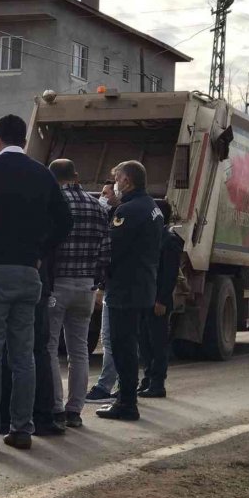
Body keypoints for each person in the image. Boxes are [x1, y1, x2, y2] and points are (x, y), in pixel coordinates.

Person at [0, 114, 72, 451]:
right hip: (28, 274)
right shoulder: (42, 173)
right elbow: (64, 221)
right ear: (25, 138)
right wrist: (39, 251)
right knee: (24, 355)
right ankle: (22, 429)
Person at [44, 159, 110, 429]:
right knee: (79, 350)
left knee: (49, 347)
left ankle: (55, 407)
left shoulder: (54, 203)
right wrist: (96, 282)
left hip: (57, 285)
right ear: (77, 175)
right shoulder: (98, 206)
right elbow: (106, 253)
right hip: (85, 287)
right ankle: (75, 410)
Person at [96, 161, 163, 422]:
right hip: (143, 286)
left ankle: (126, 402)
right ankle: (127, 399)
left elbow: (113, 249)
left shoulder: (129, 210)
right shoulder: (152, 207)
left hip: (125, 289)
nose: (115, 184)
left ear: (127, 182)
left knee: (122, 346)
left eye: (117, 179)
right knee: (130, 344)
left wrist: (101, 276)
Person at [0, 260, 64, 437]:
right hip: (36, 278)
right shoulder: (45, 234)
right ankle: (41, 418)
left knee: (8, 349)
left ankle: (4, 419)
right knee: (37, 351)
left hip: (7, 276)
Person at [137, 198, 183, 398]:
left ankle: (158, 383)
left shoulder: (170, 239)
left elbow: (169, 274)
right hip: (144, 297)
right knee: (144, 341)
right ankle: (147, 378)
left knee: (158, 342)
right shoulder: (152, 235)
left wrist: (162, 300)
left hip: (158, 300)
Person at [86, 180, 122, 404]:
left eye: (105, 193)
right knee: (120, 338)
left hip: (116, 287)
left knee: (110, 338)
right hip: (123, 286)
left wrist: (101, 285)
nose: (103, 196)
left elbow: (109, 254)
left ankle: (105, 386)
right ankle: (123, 384)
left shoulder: (120, 216)